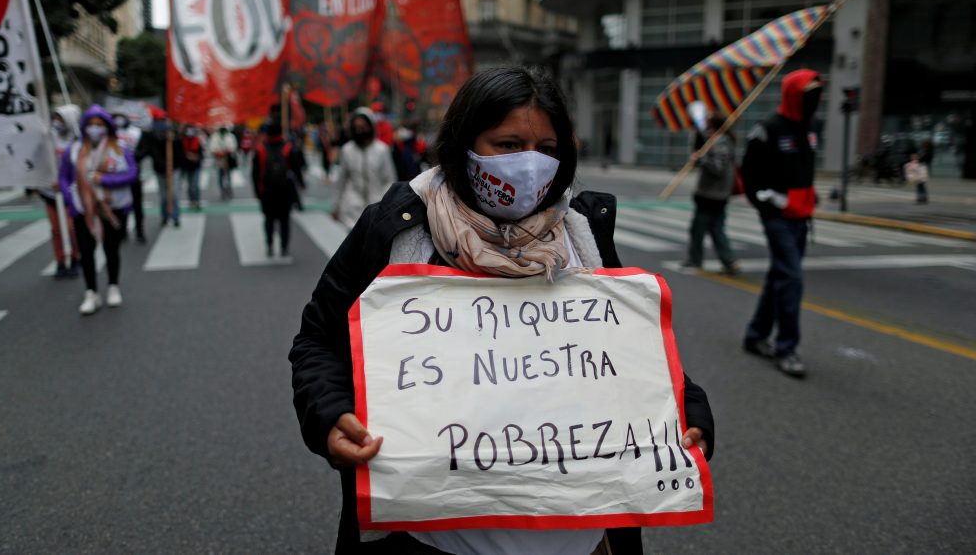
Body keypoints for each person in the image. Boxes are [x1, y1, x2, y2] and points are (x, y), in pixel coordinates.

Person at [289, 66, 714, 554]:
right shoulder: (397, 230)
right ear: (463, 144)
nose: (530, 165)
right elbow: (318, 341)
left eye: (548, 150)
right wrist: (330, 414)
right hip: (431, 540)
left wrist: (690, 411)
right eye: (508, 145)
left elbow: (638, 358)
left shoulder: (582, 235)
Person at [740, 69, 823, 378]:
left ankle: (755, 335)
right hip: (777, 218)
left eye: (817, 93)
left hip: (802, 217)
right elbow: (748, 173)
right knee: (792, 278)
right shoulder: (768, 129)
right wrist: (765, 201)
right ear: (793, 94)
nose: (814, 99)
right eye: (808, 93)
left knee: (780, 277)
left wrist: (811, 198)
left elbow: (805, 169)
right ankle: (786, 348)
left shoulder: (812, 126)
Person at [59, 105, 138, 315]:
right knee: (86, 251)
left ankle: (113, 286)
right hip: (84, 210)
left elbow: (132, 174)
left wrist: (105, 180)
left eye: (99, 124)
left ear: (107, 127)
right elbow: (64, 177)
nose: (94, 128)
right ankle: (91, 292)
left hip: (112, 208)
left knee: (111, 249)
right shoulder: (74, 150)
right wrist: (71, 198)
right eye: (91, 124)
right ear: (84, 127)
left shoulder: (119, 148)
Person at [682, 113, 741, 275]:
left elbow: (718, 168)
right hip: (717, 194)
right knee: (716, 228)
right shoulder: (720, 141)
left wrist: (701, 159)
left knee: (699, 229)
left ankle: (696, 259)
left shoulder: (720, 142)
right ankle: (729, 261)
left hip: (711, 194)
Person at [36, 105, 82, 278]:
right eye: (55, 118)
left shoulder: (78, 141)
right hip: (51, 192)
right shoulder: (49, 138)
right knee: (56, 229)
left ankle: (76, 257)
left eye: (61, 118)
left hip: (71, 191)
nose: (57, 122)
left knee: (72, 227)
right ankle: (61, 261)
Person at [331, 107, 396, 228]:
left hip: (377, 209)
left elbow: (390, 180)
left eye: (363, 127)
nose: (359, 131)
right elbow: (341, 181)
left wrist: (386, 203)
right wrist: (336, 206)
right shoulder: (347, 150)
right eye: (356, 128)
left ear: (371, 127)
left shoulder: (382, 150)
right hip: (352, 211)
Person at [252, 118, 305, 257]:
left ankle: (269, 244)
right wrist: (301, 184)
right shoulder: (287, 148)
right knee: (284, 220)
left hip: (267, 192)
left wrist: (257, 192)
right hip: (285, 192)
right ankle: (284, 246)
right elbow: (296, 168)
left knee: (269, 220)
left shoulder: (261, 149)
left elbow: (255, 173)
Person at [113, 112, 148, 243]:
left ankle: (140, 231)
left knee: (137, 204)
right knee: (121, 204)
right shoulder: (110, 134)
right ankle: (122, 231)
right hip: (118, 176)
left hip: (134, 175)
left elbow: (144, 150)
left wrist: (132, 158)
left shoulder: (137, 132)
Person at [146, 118, 183, 227]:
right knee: (163, 196)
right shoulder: (155, 138)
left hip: (174, 170)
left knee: (174, 194)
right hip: (160, 170)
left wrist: (174, 140)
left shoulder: (176, 139)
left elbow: (180, 155)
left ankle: (175, 216)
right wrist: (164, 167)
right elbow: (154, 154)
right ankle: (165, 216)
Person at [209, 124, 239, 199]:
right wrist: (219, 153)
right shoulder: (215, 136)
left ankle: (229, 189)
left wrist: (226, 151)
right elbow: (212, 149)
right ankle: (222, 191)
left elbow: (233, 147)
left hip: (228, 160)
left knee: (228, 176)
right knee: (220, 176)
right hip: (220, 160)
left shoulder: (230, 136)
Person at [179, 125, 205, 210]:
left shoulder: (197, 140)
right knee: (190, 185)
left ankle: (197, 201)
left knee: (195, 185)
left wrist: (195, 157)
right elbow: (180, 154)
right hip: (186, 166)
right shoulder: (182, 141)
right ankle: (191, 201)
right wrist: (187, 156)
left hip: (196, 166)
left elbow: (201, 154)